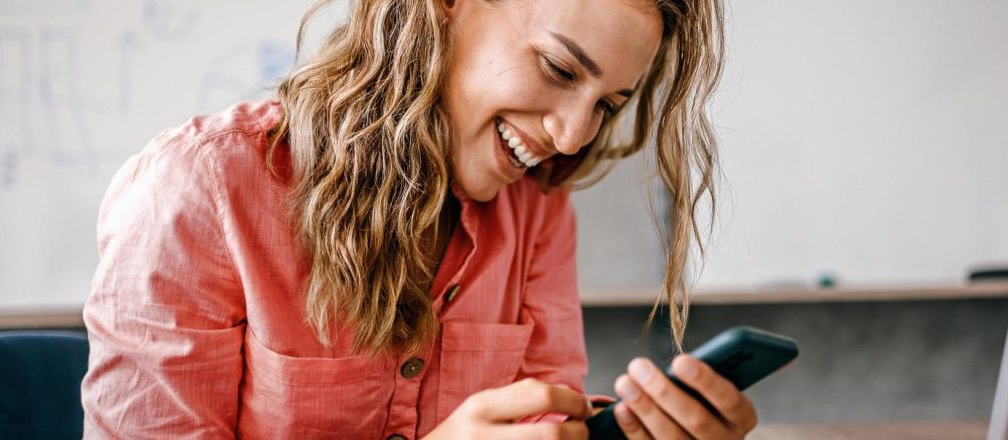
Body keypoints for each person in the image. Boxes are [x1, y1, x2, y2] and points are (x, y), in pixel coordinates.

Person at [80, 0, 755, 438]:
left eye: (607, 105)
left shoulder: (537, 212)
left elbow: (544, 420)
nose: (573, 136)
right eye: (557, 68)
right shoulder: (200, 188)